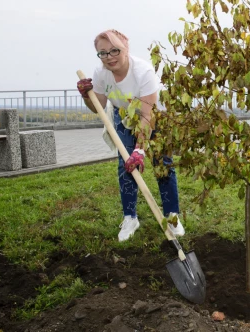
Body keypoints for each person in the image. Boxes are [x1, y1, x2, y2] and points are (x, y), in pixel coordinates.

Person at [76, 29, 184, 242]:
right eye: (103, 53)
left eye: (114, 50)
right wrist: (86, 95)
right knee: (125, 165)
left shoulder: (142, 71)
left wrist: (140, 149)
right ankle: (130, 218)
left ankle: (172, 216)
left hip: (153, 115)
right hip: (124, 116)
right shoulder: (101, 74)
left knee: (162, 163)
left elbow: (147, 115)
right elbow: (97, 107)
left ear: (125, 49)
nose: (109, 57)